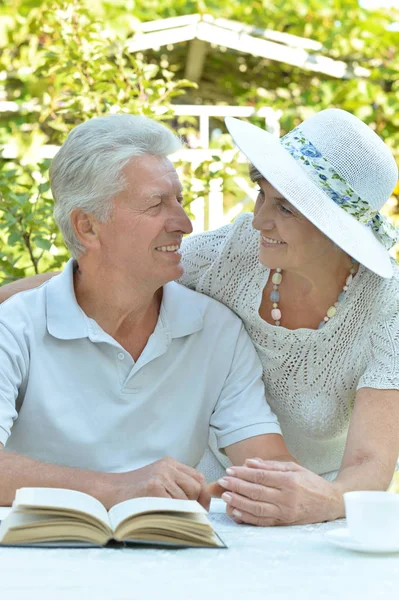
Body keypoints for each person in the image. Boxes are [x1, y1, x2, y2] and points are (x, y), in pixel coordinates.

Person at [2, 109, 399, 527]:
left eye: (286, 208)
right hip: (183, 499)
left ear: (336, 231)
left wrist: (322, 499)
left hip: (319, 498)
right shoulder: (232, 255)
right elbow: (108, 269)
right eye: (261, 194)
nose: (259, 219)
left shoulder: (382, 308)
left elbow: (367, 464)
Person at [0, 114, 294, 511]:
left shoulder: (216, 330)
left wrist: (246, 490)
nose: (185, 224)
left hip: (169, 559)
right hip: (36, 563)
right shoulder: (15, 327)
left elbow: (266, 464)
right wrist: (116, 489)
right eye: (157, 204)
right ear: (87, 227)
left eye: (180, 201)